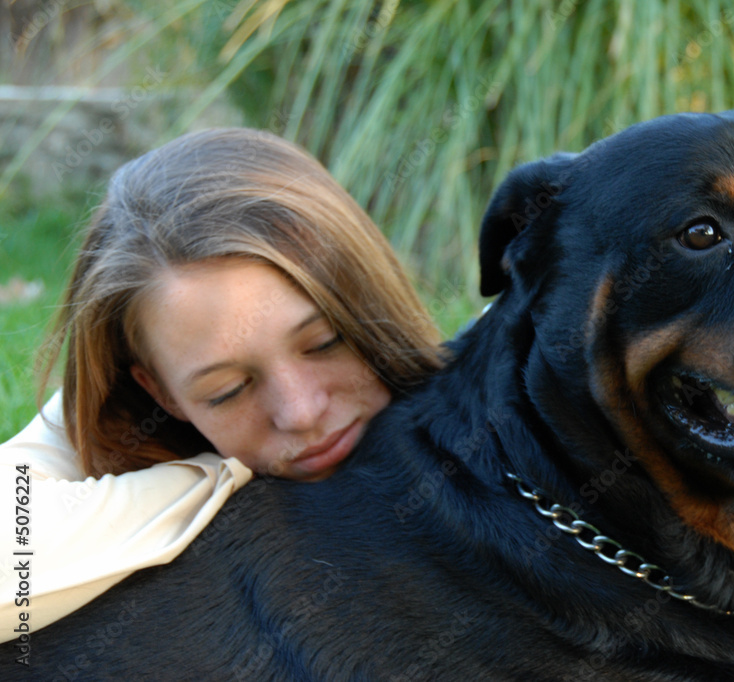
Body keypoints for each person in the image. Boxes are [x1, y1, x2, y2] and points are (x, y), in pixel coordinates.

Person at [0, 127, 444, 639]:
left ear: (371, 297)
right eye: (227, 390)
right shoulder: (136, 426)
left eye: (325, 342)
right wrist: (223, 478)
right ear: (160, 393)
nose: (299, 411)